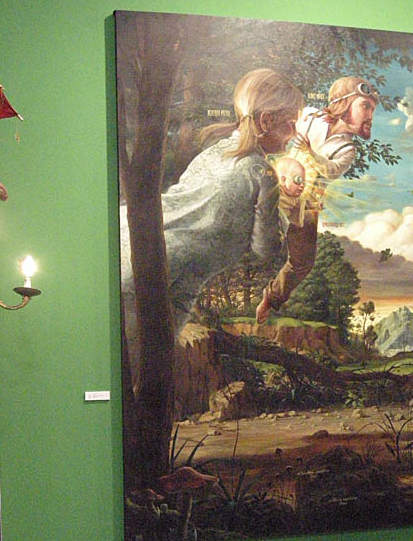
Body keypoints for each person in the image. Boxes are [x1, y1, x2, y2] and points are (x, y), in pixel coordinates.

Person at [121, 68, 304, 363]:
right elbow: (266, 249)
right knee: (139, 361)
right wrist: (287, 214)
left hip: (147, 259)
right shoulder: (262, 172)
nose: (294, 135)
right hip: (158, 276)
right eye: (290, 124)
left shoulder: (213, 152)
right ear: (266, 121)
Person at [256, 76, 378, 323]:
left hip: (307, 202)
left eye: (373, 110)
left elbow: (331, 170)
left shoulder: (347, 149)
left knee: (303, 262)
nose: (370, 115)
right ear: (344, 103)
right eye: (365, 106)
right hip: (277, 183)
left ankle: (271, 298)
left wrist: (310, 153)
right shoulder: (310, 116)